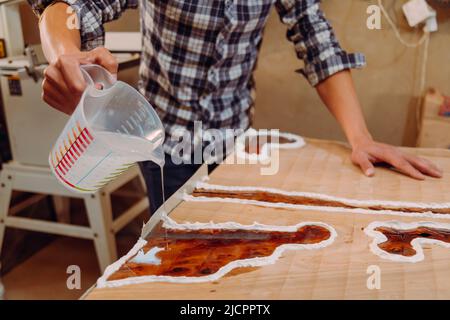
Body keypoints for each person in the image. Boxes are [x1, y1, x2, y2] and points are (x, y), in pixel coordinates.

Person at [29, 0, 442, 213]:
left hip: (235, 140)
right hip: (163, 143)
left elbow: (316, 40)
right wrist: (65, 56)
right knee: (178, 256)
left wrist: (361, 138)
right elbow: (71, 5)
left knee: (230, 248)